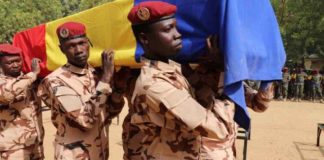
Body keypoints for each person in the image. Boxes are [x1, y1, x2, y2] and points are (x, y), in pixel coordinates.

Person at [126, 1, 242, 159]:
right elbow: (219, 128)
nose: (177, 34)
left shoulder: (176, 70)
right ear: (145, 39)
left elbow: (204, 97)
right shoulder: (154, 85)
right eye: (168, 29)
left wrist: (216, 67)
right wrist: (227, 76)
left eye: (176, 26)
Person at [37, 22, 125, 160]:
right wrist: (107, 78)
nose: (78, 50)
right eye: (71, 46)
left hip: (99, 153)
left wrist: (118, 91)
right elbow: (85, 119)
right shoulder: (55, 81)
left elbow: (110, 113)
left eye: (82, 43)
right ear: (62, 50)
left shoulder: (96, 74)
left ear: (88, 43)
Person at [183, 36, 273, 159]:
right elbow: (205, 102)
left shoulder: (233, 81)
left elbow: (259, 105)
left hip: (226, 152)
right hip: (200, 153)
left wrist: (268, 79)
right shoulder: (193, 75)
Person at [0, 44, 44, 159]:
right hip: (13, 148)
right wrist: (33, 74)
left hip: (36, 142)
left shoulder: (28, 80)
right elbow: (7, 94)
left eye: (18, 61)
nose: (15, 65)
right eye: (10, 63)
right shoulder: (3, 82)